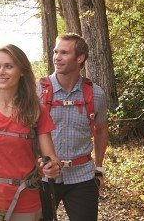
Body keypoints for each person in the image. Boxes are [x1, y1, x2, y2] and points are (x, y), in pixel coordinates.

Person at [0, 44, 62, 221]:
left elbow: (51, 157)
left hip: (26, 202)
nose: (1, 71)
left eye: (9, 66)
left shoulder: (36, 111)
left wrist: (52, 167)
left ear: (22, 71)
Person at [38, 33, 109, 221]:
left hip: (82, 177)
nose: (57, 57)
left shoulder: (96, 94)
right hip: (43, 177)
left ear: (80, 58)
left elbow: (101, 130)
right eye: (55, 51)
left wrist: (99, 168)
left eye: (64, 53)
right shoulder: (38, 91)